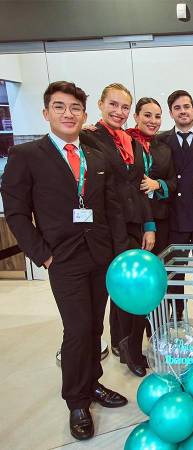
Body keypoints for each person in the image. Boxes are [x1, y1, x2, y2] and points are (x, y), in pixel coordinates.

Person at [1, 81, 129, 440]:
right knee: (76, 330)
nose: (68, 114)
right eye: (59, 107)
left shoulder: (95, 154)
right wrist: (43, 255)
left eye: (75, 108)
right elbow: (16, 213)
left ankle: (93, 384)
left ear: (84, 114)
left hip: (100, 254)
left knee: (93, 327)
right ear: (46, 113)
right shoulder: (27, 156)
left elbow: (112, 207)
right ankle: (76, 400)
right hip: (63, 259)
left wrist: (118, 251)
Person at [80, 83, 155, 377]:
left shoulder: (131, 142)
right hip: (106, 228)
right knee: (119, 293)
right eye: (113, 105)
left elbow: (140, 186)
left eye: (125, 107)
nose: (119, 112)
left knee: (133, 290)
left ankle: (131, 348)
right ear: (100, 104)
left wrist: (149, 225)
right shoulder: (87, 137)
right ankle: (128, 350)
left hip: (134, 226)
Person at [157, 90, 193, 331]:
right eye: (177, 107)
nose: (183, 111)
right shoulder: (162, 141)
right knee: (176, 272)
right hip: (175, 216)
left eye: (187, 106)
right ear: (171, 113)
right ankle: (177, 312)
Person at [127, 97, 176, 255]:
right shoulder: (123, 143)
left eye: (157, 116)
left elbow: (173, 182)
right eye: (147, 115)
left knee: (160, 269)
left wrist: (158, 184)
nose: (153, 121)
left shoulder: (164, 148)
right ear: (136, 117)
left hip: (159, 218)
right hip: (131, 220)